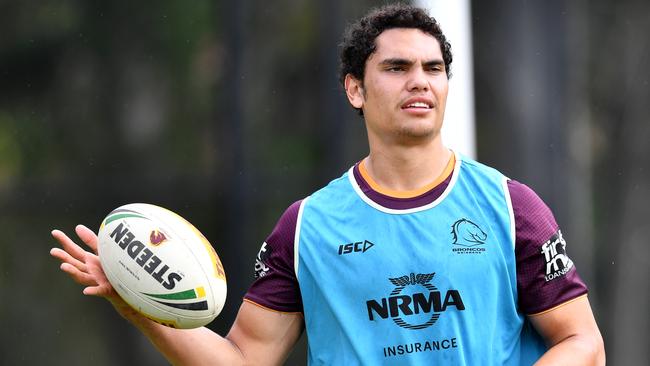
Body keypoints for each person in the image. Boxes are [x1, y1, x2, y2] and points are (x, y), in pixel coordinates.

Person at [50, 4, 605, 365]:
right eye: (397, 68)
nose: (419, 81)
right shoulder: (308, 226)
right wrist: (141, 307)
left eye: (433, 69)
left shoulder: (511, 206)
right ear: (355, 89)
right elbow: (244, 359)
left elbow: (583, 343)